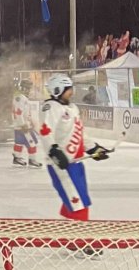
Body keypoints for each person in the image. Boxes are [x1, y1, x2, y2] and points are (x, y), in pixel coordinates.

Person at [38, 73, 110, 220]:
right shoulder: (50, 107)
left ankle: (67, 235)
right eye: (68, 88)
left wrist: (93, 148)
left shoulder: (72, 108)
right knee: (79, 205)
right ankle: (79, 240)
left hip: (76, 165)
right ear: (57, 90)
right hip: (62, 166)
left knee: (77, 200)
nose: (71, 92)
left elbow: (80, 133)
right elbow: (45, 132)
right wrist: (54, 152)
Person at [11, 92, 40, 168]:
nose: (29, 90)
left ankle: (16, 158)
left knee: (19, 142)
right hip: (23, 126)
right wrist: (23, 124)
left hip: (21, 126)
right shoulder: (20, 98)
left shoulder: (22, 98)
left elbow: (24, 113)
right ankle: (32, 160)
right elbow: (18, 113)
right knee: (32, 142)